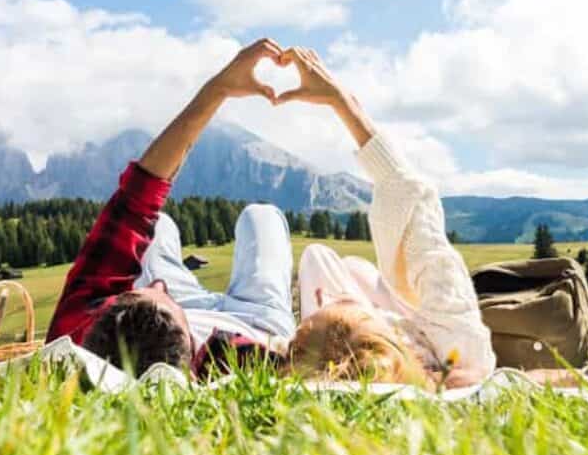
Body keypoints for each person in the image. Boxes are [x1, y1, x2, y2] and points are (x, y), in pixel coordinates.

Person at [46, 39, 296, 377]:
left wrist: (217, 89)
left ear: (104, 310)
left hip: (184, 308)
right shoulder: (240, 361)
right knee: (261, 216)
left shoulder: (75, 331)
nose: (159, 283)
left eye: (137, 291)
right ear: (193, 355)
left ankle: (167, 303)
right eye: (159, 292)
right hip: (255, 320)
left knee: (157, 223)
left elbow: (136, 199)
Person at [273, 47, 496, 389]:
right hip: (422, 330)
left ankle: (345, 307)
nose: (339, 301)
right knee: (346, 268)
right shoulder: (456, 347)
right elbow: (413, 195)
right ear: (390, 339)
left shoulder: (391, 364)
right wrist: (342, 102)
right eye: (358, 313)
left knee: (322, 258)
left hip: (382, 337)